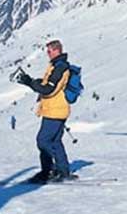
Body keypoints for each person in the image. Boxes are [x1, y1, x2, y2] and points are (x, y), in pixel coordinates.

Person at [17, 39, 76, 183]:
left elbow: (48, 89)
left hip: (55, 111)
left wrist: (30, 82)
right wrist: (31, 81)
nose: (48, 54)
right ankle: (63, 171)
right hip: (56, 109)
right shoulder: (57, 65)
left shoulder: (60, 67)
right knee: (55, 141)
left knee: (43, 140)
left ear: (57, 50)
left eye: (49, 51)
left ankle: (49, 170)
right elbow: (46, 84)